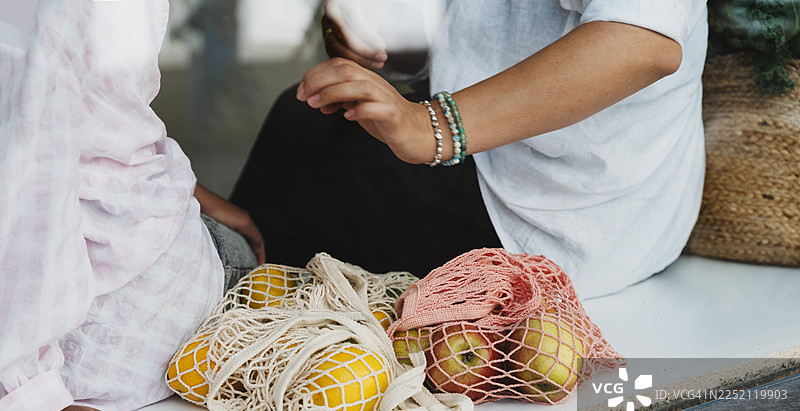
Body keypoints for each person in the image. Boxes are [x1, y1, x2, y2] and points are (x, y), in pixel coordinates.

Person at [231, 0, 708, 299]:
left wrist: (432, 127)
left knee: (305, 133)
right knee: (319, 115)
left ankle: (234, 308)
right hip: (501, 166)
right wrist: (363, 32)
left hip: (552, 213)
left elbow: (643, 41)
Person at [0, 0, 263, 411]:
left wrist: (189, 188)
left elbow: (67, 91)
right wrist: (22, 399)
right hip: (96, 336)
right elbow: (25, 153)